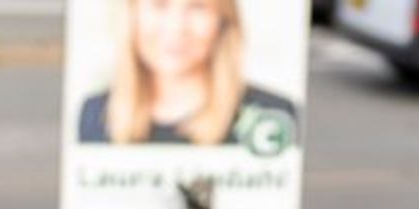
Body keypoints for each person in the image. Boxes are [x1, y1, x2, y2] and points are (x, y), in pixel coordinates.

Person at [74, 0, 299, 152]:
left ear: (222, 20)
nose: (176, 27)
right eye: (160, 4)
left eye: (197, 6)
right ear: (132, 15)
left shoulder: (270, 114)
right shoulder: (97, 114)